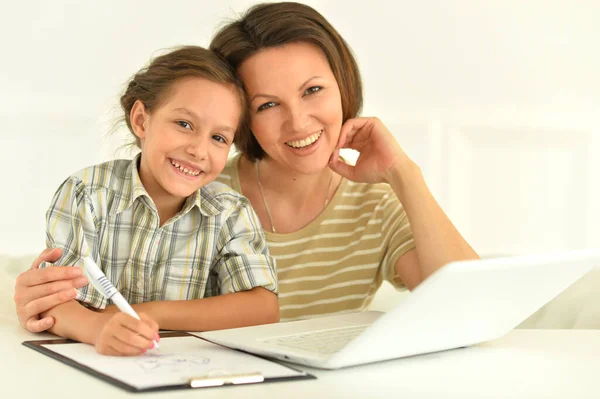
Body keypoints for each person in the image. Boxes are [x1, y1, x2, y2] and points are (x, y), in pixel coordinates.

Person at [14, 2, 477, 327]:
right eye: (268, 104)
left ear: (343, 85)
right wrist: (46, 303)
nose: (298, 122)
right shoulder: (201, 191)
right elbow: (96, 292)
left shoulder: (377, 205)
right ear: (241, 119)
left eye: (313, 90)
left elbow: (470, 307)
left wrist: (404, 172)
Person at [20, 46, 279, 355]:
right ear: (141, 120)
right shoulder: (86, 193)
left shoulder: (230, 212)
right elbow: (54, 301)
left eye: (219, 138)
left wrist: (143, 314)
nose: (199, 150)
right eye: (184, 124)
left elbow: (262, 308)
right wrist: (100, 329)